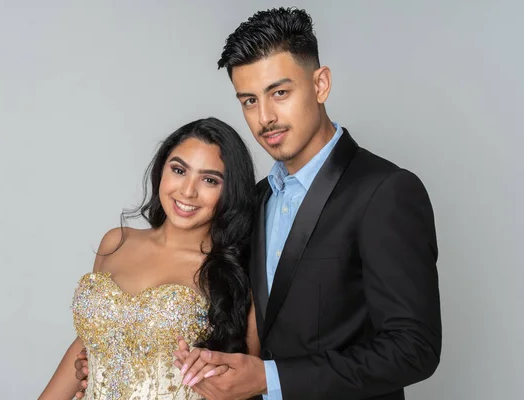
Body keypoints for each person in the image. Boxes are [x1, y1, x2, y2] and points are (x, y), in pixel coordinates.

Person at [77, 7, 442, 400]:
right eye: (249, 100)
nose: (265, 117)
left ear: (320, 84)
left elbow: (414, 349)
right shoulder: (252, 200)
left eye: (279, 93)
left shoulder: (384, 191)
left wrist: (272, 378)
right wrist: (118, 359)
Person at [40, 117, 260, 400]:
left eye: (209, 179)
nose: (188, 191)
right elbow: (90, 340)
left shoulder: (235, 272)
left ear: (230, 191)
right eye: (179, 170)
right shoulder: (117, 242)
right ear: (161, 170)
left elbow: (245, 383)